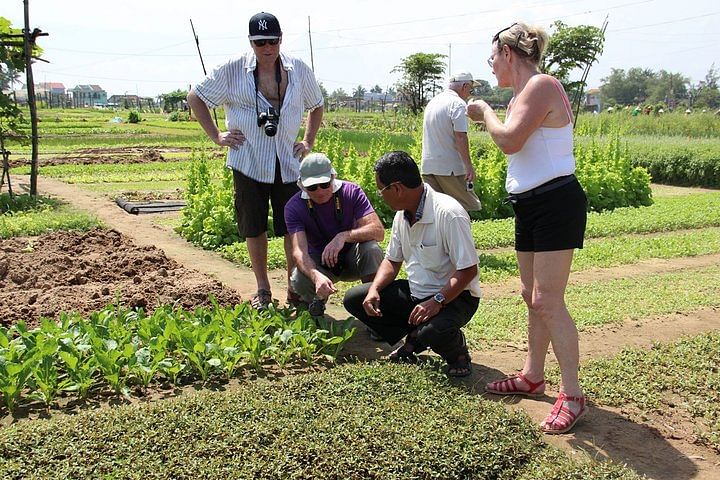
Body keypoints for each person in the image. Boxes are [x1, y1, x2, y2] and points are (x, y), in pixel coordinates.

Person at [467, 22, 589, 434]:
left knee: (548, 299)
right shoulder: (521, 94)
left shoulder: (542, 85)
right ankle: (533, 374)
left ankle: (572, 394)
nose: (492, 67)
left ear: (507, 52)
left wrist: (483, 112)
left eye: (493, 59)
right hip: (531, 205)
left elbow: (511, 141)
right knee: (530, 295)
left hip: (556, 201)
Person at [186, 12, 324, 310]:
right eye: (260, 42)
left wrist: (308, 141)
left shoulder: (298, 70)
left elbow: (317, 104)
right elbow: (195, 97)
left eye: (272, 41)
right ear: (251, 42)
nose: (267, 48)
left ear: (280, 40)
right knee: (254, 226)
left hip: (287, 161)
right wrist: (216, 136)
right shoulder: (232, 69)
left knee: (292, 227)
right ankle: (262, 288)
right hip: (248, 161)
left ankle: (294, 286)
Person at [343, 151, 481, 378]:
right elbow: (392, 260)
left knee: (436, 331)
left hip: (456, 297)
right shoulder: (402, 215)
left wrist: (436, 301)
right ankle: (417, 336)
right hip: (417, 294)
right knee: (356, 299)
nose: (380, 196)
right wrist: (375, 289)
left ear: (396, 188)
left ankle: (457, 354)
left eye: (381, 190)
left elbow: (468, 270)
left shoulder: (449, 213)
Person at [285, 153, 384, 317]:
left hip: (354, 258)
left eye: (324, 184)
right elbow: (299, 252)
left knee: (372, 249)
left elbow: (378, 231)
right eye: (312, 187)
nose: (320, 191)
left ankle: (373, 308)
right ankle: (314, 306)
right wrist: (315, 276)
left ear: (333, 177)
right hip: (320, 262)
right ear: (301, 185)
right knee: (299, 277)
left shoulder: (352, 191)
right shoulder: (293, 207)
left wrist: (343, 236)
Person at [421, 71, 482, 212]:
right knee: (466, 206)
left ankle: (441, 235)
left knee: (437, 210)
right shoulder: (458, 104)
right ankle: (461, 235)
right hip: (451, 168)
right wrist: (468, 166)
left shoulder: (433, 102)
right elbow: (460, 137)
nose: (469, 94)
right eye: (470, 90)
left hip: (429, 167)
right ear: (465, 86)